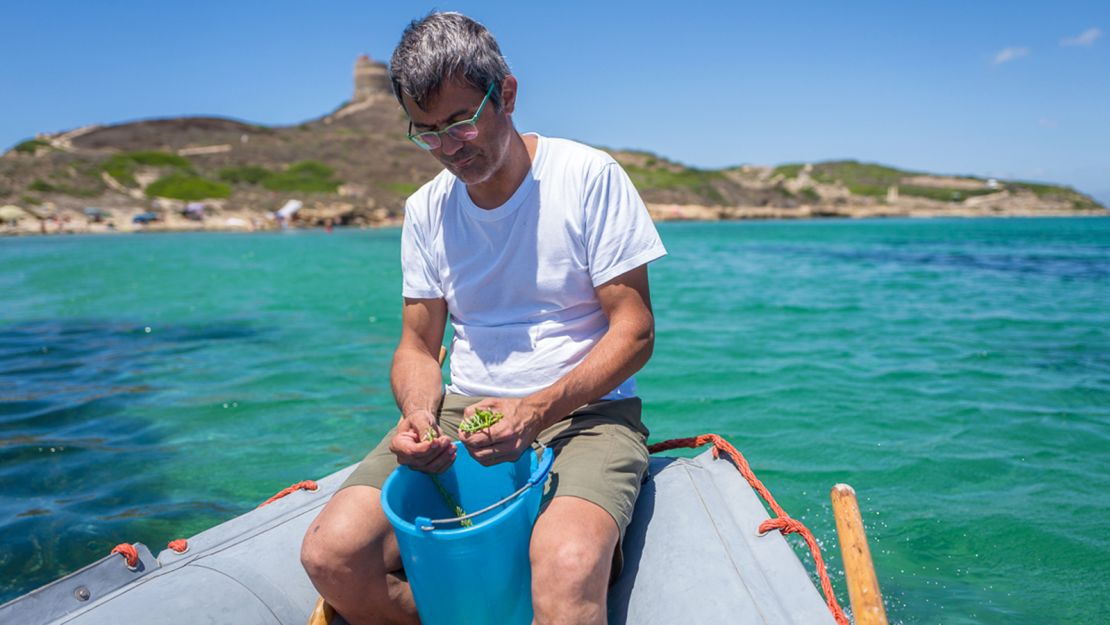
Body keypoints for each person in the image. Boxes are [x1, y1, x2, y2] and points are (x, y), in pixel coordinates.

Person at [300, 11, 666, 625]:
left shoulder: (589, 176)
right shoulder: (425, 211)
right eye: (427, 132)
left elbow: (635, 331)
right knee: (330, 556)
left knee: (567, 568)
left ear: (509, 94)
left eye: (461, 122)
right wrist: (418, 413)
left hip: (586, 416)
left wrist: (538, 408)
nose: (447, 148)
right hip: (460, 413)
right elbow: (418, 347)